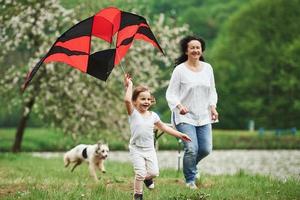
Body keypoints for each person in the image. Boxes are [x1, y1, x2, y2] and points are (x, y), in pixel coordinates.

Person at [124, 73, 191, 200]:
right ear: (135, 101)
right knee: (140, 173)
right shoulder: (133, 113)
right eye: (142, 99)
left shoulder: (153, 115)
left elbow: (164, 127)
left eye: (148, 99)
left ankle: (147, 179)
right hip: (136, 149)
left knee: (154, 172)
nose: (146, 102)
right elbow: (127, 100)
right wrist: (129, 85)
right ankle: (138, 195)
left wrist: (180, 134)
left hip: (149, 149)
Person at [166, 35, 218, 189]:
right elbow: (171, 93)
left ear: (201, 50)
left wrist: (213, 106)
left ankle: (192, 167)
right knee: (191, 148)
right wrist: (179, 106)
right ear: (186, 51)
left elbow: (212, 91)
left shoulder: (208, 68)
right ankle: (190, 180)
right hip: (184, 117)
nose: (195, 50)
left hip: (203, 115)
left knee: (205, 149)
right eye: (192, 48)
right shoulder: (180, 70)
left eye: (198, 48)